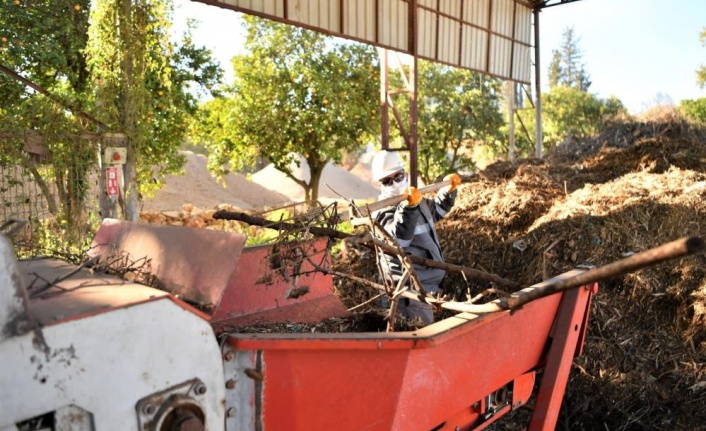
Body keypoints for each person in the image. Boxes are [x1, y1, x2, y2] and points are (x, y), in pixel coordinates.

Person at [370, 150, 461, 324]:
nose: (395, 184)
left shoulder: (417, 201)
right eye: (387, 181)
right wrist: (408, 208)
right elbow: (399, 240)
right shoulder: (380, 212)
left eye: (398, 177)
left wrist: (448, 190)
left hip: (426, 285)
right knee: (419, 335)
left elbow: (437, 211)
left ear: (406, 174)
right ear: (379, 185)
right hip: (407, 292)